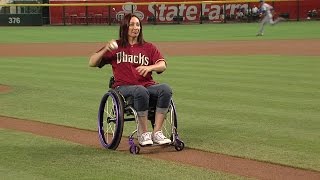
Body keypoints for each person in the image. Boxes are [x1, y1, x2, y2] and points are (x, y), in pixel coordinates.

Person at [89, 13, 172, 146]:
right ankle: (143, 133)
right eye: (132, 24)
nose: (136, 27)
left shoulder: (148, 47)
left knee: (165, 89)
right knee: (140, 91)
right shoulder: (116, 46)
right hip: (123, 87)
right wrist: (105, 48)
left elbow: (162, 65)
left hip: (146, 85)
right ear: (125, 27)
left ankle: (157, 132)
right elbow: (92, 62)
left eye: (138, 25)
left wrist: (150, 67)